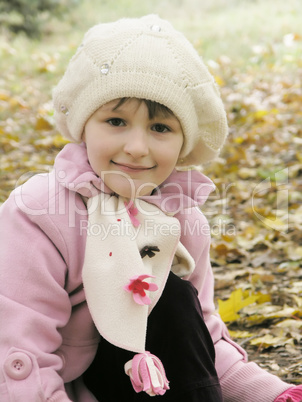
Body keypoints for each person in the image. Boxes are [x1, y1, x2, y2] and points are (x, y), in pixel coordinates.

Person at [0, 14, 301, 402]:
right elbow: (18, 353)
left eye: (160, 128)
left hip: (150, 385)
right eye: (116, 121)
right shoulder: (40, 213)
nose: (137, 147)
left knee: (172, 299)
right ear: (83, 125)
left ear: (183, 143)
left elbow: (199, 341)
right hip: (50, 388)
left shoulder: (182, 220)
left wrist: (274, 394)